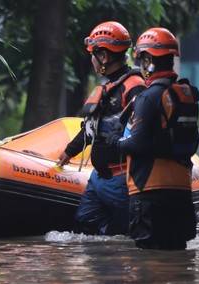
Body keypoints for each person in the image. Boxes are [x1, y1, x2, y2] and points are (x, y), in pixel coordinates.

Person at [108, 27, 199, 250]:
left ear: (149, 60)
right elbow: (193, 142)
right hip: (181, 192)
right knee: (177, 263)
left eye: (143, 59)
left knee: (149, 267)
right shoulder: (186, 94)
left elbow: (136, 143)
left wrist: (113, 141)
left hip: (149, 192)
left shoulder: (148, 97)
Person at [56, 21, 146, 235]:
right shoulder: (108, 88)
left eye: (93, 54)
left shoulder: (134, 87)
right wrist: (70, 151)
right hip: (98, 178)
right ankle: (107, 253)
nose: (92, 60)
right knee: (85, 223)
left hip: (121, 179)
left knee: (129, 233)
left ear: (104, 57)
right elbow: (91, 127)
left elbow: (141, 132)